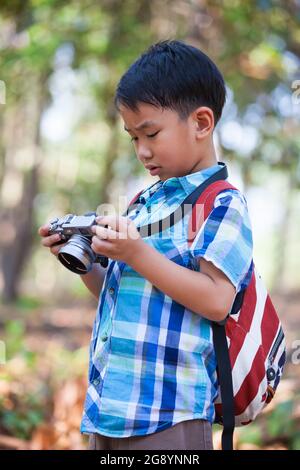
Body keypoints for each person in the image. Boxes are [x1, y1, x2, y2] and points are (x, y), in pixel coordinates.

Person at [38, 40, 253, 450]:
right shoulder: (142, 204)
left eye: (151, 133)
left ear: (202, 123)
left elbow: (216, 301)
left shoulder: (222, 203)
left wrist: (137, 253)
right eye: (132, 137)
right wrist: (84, 262)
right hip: (110, 406)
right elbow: (119, 292)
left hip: (169, 414)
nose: (142, 151)